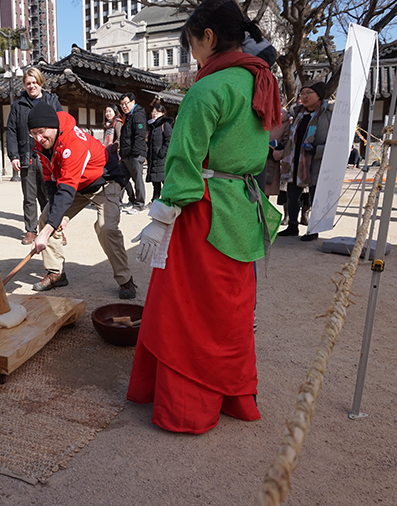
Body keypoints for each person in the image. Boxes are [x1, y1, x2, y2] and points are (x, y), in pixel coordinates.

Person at [127, 0, 282, 434]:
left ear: (208, 37)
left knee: (188, 309)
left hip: (204, 210)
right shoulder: (260, 80)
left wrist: (161, 215)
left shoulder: (208, 88)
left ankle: (187, 408)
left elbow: (184, 160)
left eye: (191, 42)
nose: (192, 52)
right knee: (230, 308)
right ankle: (234, 395)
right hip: (243, 206)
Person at [27, 101, 138, 299]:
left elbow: (67, 188)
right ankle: (56, 273)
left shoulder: (73, 142)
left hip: (104, 181)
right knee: (46, 217)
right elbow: (52, 183)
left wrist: (45, 232)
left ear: (53, 125)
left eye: (42, 132)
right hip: (77, 185)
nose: (39, 138)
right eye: (34, 133)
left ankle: (125, 279)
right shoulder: (41, 145)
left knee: (106, 227)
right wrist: (56, 217)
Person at [6, 67, 63, 245]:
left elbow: (62, 125)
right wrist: (14, 155)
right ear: (24, 85)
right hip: (27, 154)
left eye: (34, 82)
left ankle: (52, 228)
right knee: (29, 195)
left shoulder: (51, 100)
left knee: (50, 193)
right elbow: (12, 131)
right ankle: (31, 230)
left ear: (40, 83)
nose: (32, 86)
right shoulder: (18, 105)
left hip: (48, 154)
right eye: (28, 83)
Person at [278, 80, 332, 241]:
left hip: (316, 160)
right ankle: (292, 226)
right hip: (295, 160)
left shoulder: (328, 114)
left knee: (315, 197)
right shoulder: (297, 113)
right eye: (303, 93)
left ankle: (313, 229)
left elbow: (335, 140)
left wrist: (317, 150)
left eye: (309, 93)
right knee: (292, 195)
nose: (305, 96)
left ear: (319, 95)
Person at [119, 92, 149, 214]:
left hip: (135, 154)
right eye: (122, 104)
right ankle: (120, 202)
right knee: (121, 179)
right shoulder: (127, 116)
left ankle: (139, 204)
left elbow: (140, 136)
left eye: (126, 103)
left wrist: (135, 153)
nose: (124, 106)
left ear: (133, 102)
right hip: (126, 154)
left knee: (137, 180)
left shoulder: (138, 115)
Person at [103, 103, 135, 209]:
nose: (107, 113)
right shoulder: (108, 124)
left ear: (115, 112)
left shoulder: (117, 123)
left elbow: (119, 139)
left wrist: (110, 149)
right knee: (117, 177)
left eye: (110, 111)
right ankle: (119, 199)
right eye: (106, 111)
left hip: (115, 154)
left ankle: (131, 198)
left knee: (120, 177)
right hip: (108, 154)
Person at [145, 103, 173, 203]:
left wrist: (161, 152)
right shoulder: (153, 126)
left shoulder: (165, 125)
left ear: (163, 113)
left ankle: (169, 199)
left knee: (164, 180)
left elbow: (169, 140)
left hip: (162, 158)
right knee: (155, 181)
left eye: (157, 112)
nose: (154, 114)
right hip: (153, 158)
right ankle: (155, 200)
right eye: (153, 111)